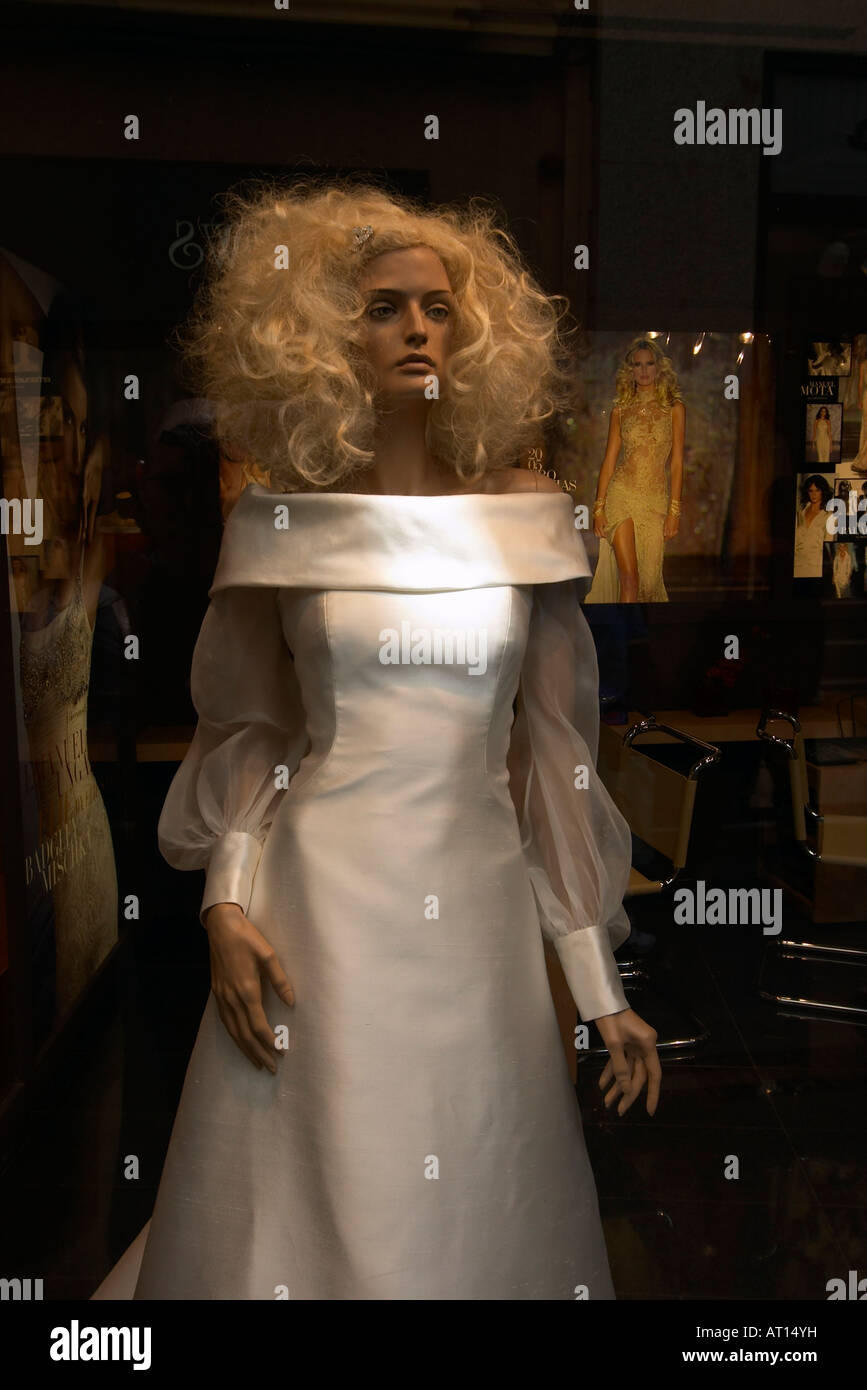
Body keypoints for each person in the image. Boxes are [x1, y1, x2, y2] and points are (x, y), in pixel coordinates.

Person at [92, 178, 661, 1301]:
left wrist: (598, 980)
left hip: (476, 907)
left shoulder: (522, 521)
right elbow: (256, 738)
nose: (415, 328)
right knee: (321, 1181)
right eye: (384, 306)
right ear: (320, 338)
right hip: (319, 910)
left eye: (438, 307)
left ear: (473, 331)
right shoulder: (283, 527)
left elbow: (549, 762)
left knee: (472, 1182)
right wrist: (225, 903)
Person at [585, 337, 685, 603]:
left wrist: (674, 510)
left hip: (654, 502)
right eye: (637, 365)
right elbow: (609, 461)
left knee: (649, 585)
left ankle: (637, 638)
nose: (643, 370)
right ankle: (625, 641)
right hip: (622, 495)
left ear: (658, 368)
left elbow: (676, 463)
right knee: (629, 578)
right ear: (629, 369)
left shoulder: (674, 409)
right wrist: (598, 508)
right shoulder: (620, 410)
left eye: (649, 364)